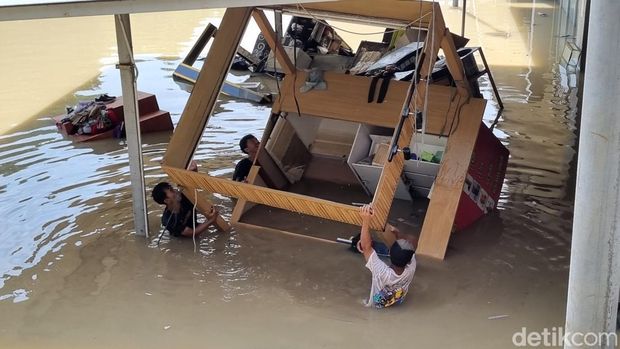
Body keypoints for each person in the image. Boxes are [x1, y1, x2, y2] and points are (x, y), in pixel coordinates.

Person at [358, 204, 417, 308]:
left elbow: (366, 247)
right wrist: (399, 235)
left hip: (376, 308)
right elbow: (413, 242)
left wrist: (366, 220)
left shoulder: (381, 272)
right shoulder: (412, 267)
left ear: (389, 252)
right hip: (397, 301)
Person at [151, 182, 218, 238]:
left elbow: (193, 174)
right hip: (183, 240)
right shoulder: (169, 221)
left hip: (195, 227)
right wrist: (211, 220)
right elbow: (192, 233)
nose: (176, 190)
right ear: (167, 200)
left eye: (172, 188)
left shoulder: (185, 197)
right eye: (171, 191)